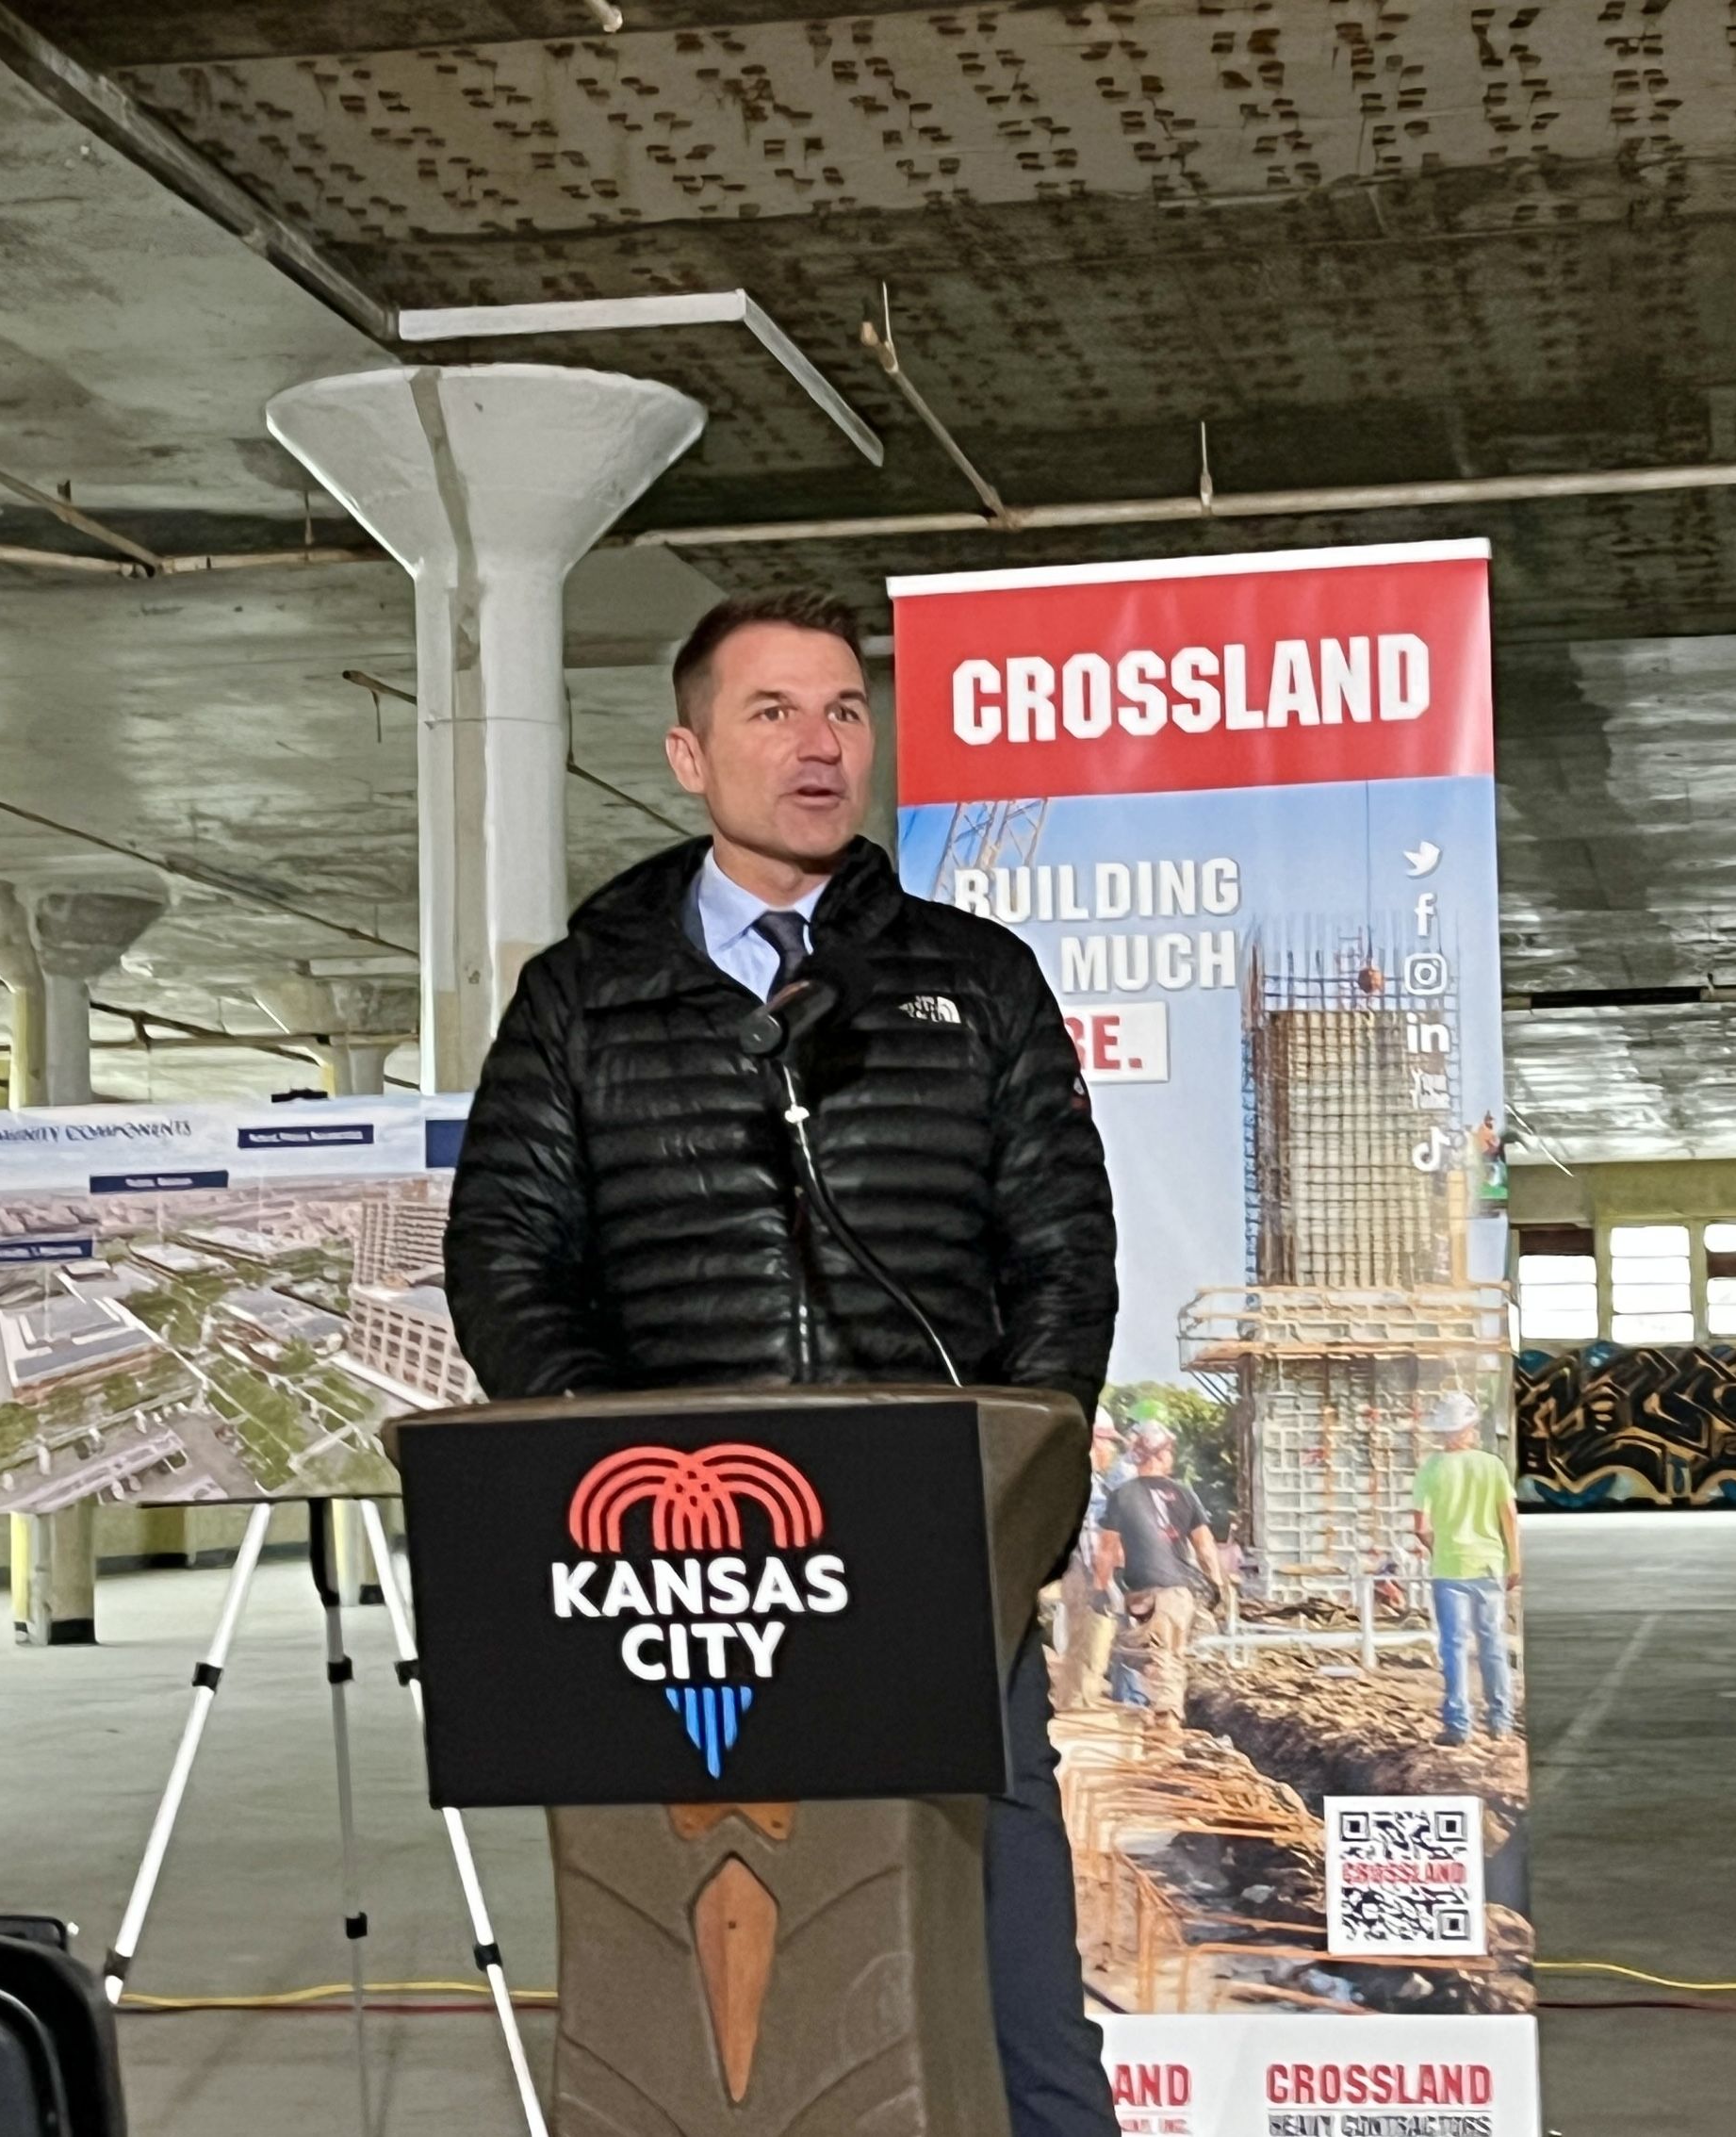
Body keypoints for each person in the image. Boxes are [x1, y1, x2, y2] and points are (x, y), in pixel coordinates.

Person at [443, 586, 1120, 2137]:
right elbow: (504, 1258)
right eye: (770, 713)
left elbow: (1062, 1257)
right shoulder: (581, 997)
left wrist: (1015, 1496)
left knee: (1012, 2004)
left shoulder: (978, 979)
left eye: (843, 711)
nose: (817, 748)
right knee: (703, 2012)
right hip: (672, 1598)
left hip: (930, 1572)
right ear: (687, 752)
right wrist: (598, 1470)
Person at [1095, 1422, 1225, 1722]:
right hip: (1177, 1592)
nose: (1172, 1456)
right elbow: (1205, 1547)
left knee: (1147, 1654)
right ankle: (1166, 1723)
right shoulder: (1185, 1493)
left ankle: (1148, 1713)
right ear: (1159, 1454)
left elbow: (1107, 1549)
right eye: (1169, 1450)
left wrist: (1101, 1588)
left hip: (1140, 1591)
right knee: (1170, 1658)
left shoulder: (1121, 1495)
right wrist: (1216, 1584)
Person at [1410, 1394, 1519, 1743]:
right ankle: (1500, 1722)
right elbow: (1509, 1519)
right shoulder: (1493, 1466)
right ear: (1470, 1427)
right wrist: (1514, 1562)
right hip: (1488, 1565)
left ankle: (1459, 1726)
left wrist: (1438, 1547)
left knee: (1454, 1646)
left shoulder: (1430, 1469)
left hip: (1449, 1569)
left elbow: (1421, 1526)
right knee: (1492, 1645)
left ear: (1443, 1432)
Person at [1050, 1416, 1127, 1712]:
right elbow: (1090, 1536)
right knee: (1092, 1643)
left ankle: (1074, 1703)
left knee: (1079, 1646)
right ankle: (1079, 1707)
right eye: (1107, 1441)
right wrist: (1104, 1584)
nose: (1111, 1450)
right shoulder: (1087, 1484)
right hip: (1087, 1573)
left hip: (1077, 1571)